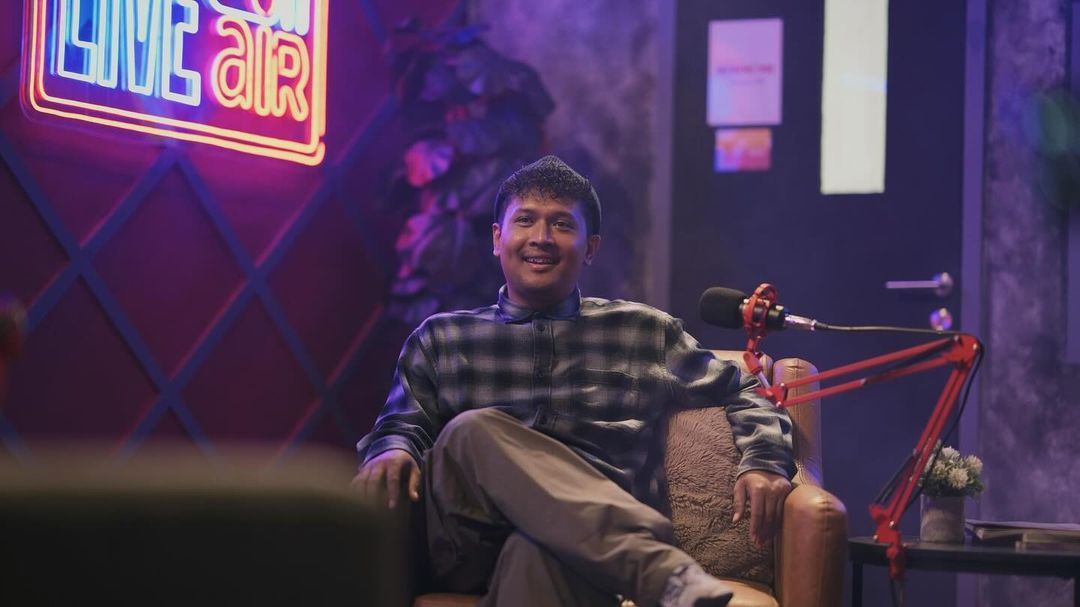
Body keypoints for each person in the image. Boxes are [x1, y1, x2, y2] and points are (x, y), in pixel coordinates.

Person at [354, 156, 794, 607]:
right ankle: (660, 572)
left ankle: (632, 561)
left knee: (542, 552)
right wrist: (392, 450)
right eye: (525, 220)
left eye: (562, 224)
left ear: (590, 247)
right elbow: (400, 426)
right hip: (466, 545)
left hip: (585, 559)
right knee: (470, 430)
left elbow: (747, 388)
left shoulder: (642, 332)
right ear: (497, 238)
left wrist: (764, 460)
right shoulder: (441, 338)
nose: (541, 237)